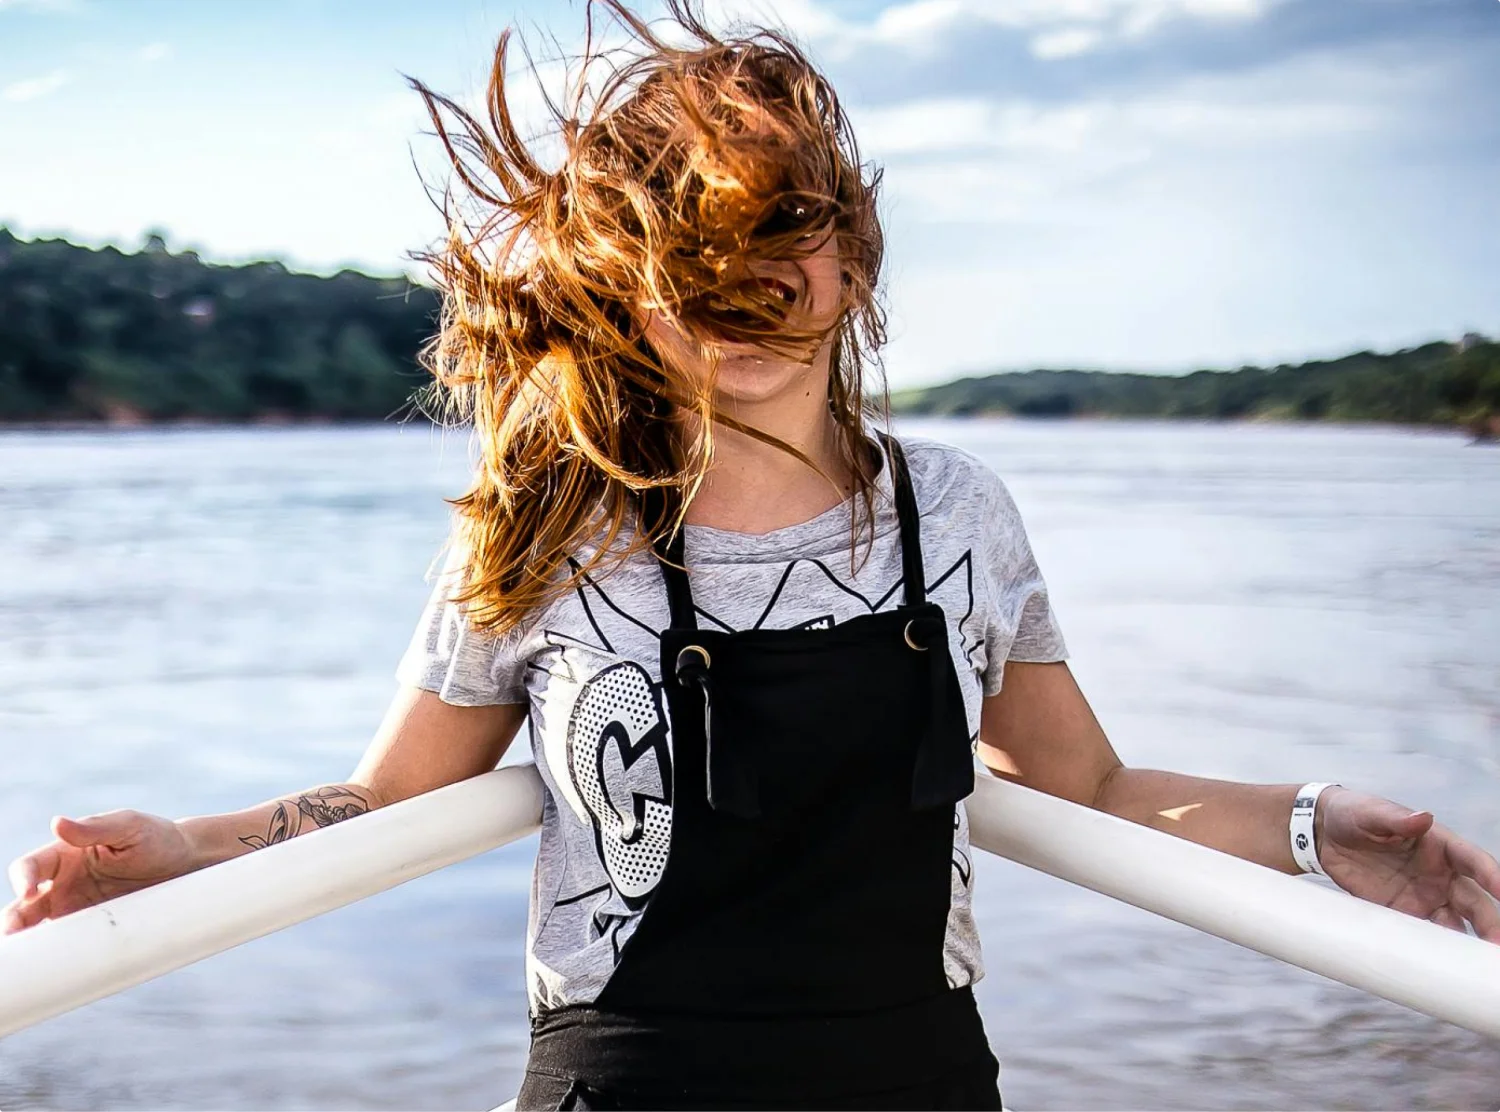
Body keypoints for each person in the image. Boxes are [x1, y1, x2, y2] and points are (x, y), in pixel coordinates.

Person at [6, 3, 1500, 1109]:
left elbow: (1092, 790)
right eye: (691, 264)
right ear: (624, 287)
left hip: (919, 1084)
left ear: (852, 255)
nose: (747, 301)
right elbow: (391, 798)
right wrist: (189, 852)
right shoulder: (549, 521)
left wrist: (1318, 829)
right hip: (629, 1088)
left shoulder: (956, 512)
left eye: (780, 244)